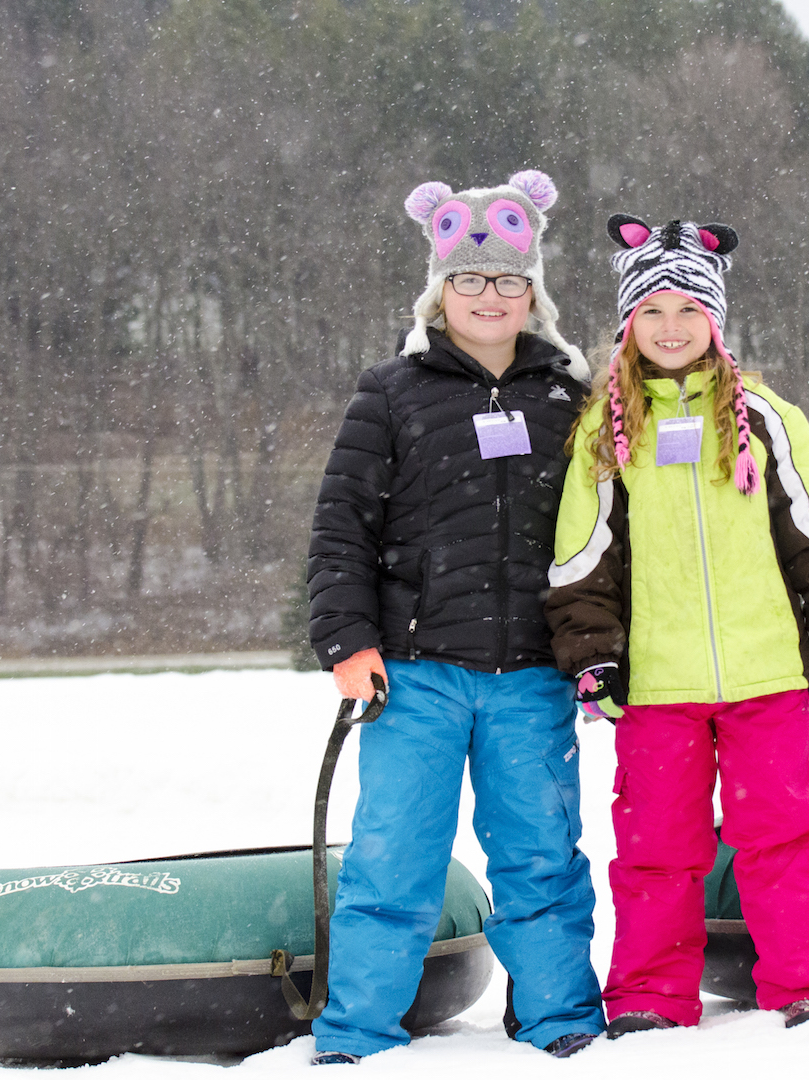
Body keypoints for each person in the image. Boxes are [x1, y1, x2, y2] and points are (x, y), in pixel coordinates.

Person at [545, 214, 809, 1035]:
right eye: (651, 312)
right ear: (627, 325)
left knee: (785, 835)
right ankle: (651, 997)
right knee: (658, 848)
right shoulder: (603, 428)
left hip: (765, 675)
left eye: (687, 311)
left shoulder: (763, 414)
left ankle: (808, 987)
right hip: (656, 685)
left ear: (714, 321)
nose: (669, 327)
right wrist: (593, 655)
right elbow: (581, 557)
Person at [305, 170, 605, 1063]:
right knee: (392, 860)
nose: (488, 296)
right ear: (439, 290)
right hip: (415, 674)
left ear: (533, 293)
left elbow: (603, 539)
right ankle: (355, 1031)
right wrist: (345, 641)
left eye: (508, 280)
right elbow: (340, 527)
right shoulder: (392, 391)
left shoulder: (570, 396)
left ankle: (559, 1021)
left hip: (532, 679)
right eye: (469, 280)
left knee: (543, 862)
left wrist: (599, 652)